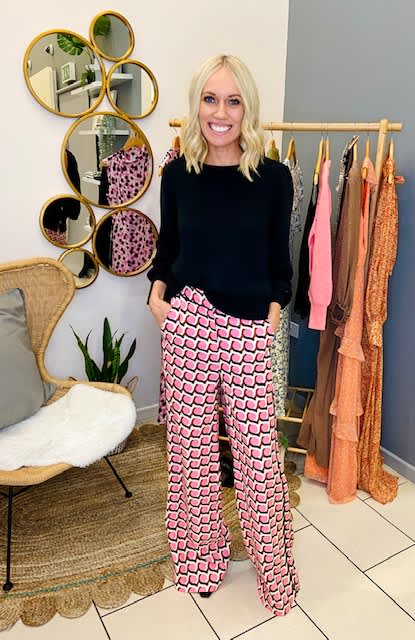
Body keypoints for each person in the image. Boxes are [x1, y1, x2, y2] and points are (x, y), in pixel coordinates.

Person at [147, 54, 299, 616]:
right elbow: (169, 249)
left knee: (258, 457)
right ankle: (201, 562)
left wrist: (274, 309)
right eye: (210, 99)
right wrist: (157, 295)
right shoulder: (176, 175)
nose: (221, 112)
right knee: (191, 455)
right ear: (196, 106)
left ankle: (275, 575)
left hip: (249, 324)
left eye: (233, 101)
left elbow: (278, 259)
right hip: (188, 318)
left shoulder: (273, 178)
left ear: (247, 109)